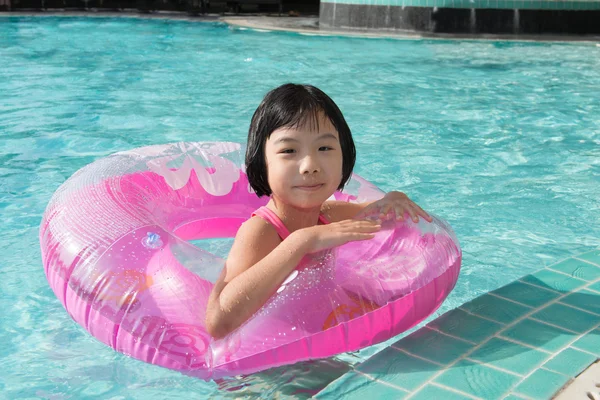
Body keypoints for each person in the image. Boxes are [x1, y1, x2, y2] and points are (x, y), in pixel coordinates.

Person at [205, 83, 431, 339]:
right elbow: (219, 322)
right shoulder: (260, 231)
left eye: (324, 148)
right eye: (289, 150)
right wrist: (303, 241)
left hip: (311, 338)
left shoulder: (329, 216)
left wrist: (395, 197)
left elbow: (382, 214)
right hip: (263, 359)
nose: (310, 165)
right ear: (261, 161)